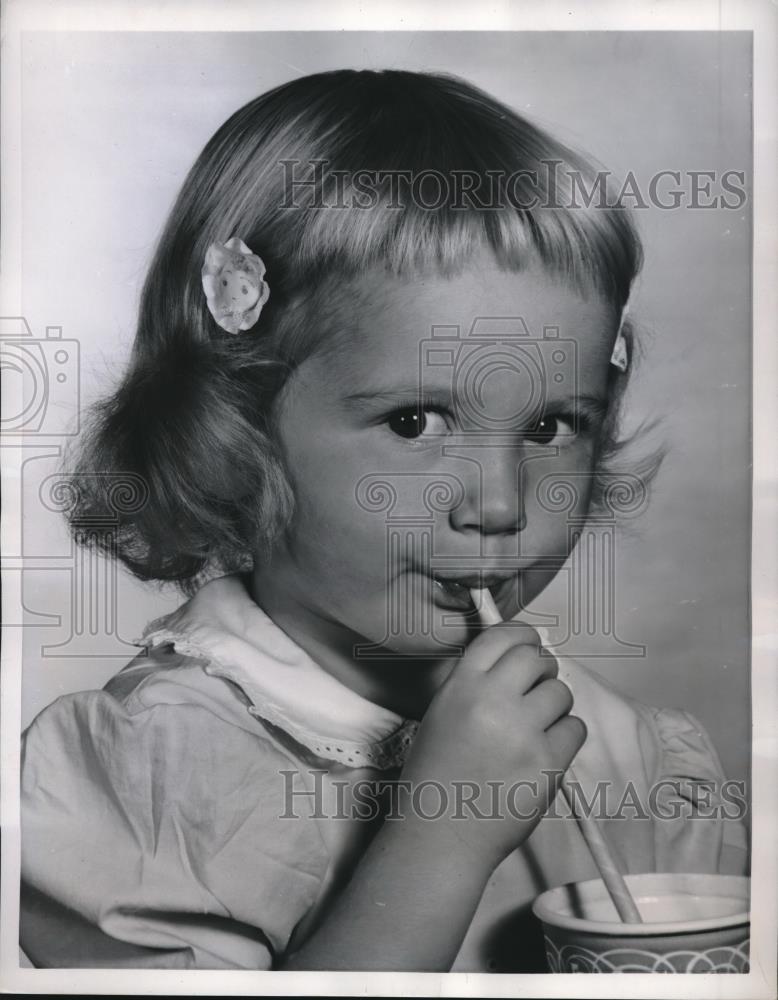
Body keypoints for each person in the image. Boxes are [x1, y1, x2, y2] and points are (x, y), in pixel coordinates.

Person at [19, 69, 748, 972]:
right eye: (414, 422)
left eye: (551, 427)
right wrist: (443, 837)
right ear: (236, 428)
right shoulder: (144, 780)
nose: (499, 502)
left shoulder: (627, 759)